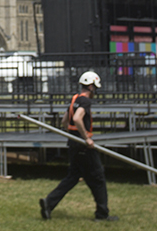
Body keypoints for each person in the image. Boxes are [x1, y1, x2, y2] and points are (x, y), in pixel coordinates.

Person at [39, 71, 118, 222]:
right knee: (98, 177)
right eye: (95, 87)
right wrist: (86, 138)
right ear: (90, 86)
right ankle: (102, 214)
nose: (96, 91)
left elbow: (65, 121)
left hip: (73, 144)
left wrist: (72, 134)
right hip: (83, 146)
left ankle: (49, 203)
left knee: (72, 177)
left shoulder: (74, 99)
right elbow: (76, 118)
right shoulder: (85, 101)